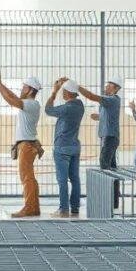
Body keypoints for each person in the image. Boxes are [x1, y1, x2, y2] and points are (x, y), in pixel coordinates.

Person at [0, 74, 43, 218]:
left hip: (26, 145)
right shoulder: (29, 103)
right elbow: (12, 96)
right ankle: (33, 207)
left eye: (24, 87)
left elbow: (10, 100)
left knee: (27, 178)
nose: (22, 89)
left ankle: (30, 208)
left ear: (31, 90)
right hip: (27, 145)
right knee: (29, 177)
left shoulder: (31, 104)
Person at [45, 77, 84, 217]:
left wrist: (54, 91)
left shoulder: (67, 108)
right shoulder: (80, 105)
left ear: (67, 93)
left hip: (62, 147)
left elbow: (48, 110)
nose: (62, 93)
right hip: (75, 146)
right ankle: (75, 208)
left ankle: (63, 209)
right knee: (75, 178)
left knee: (62, 180)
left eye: (63, 91)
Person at [79, 77, 123, 172]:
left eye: (109, 86)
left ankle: (108, 187)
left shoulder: (112, 99)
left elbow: (91, 96)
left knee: (105, 165)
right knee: (111, 167)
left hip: (110, 137)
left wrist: (78, 87)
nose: (106, 87)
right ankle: (114, 186)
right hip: (108, 136)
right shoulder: (109, 102)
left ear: (116, 89)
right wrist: (99, 117)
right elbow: (109, 116)